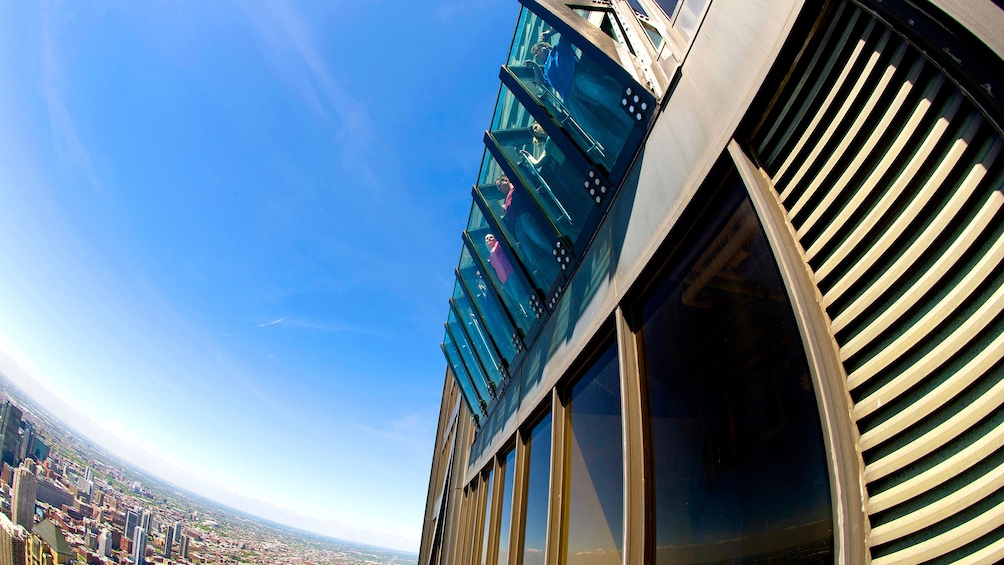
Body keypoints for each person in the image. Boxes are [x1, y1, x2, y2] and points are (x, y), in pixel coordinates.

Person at [529, 29, 628, 165]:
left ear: (544, 47)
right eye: (535, 55)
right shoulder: (545, 69)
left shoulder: (559, 48)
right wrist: (535, 67)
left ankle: (630, 120)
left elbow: (564, 27)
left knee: (603, 96)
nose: (537, 56)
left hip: (578, 78)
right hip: (569, 98)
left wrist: (548, 34)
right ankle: (618, 146)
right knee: (589, 125)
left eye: (537, 52)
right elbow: (541, 83)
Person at [496, 175, 557, 280]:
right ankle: (555, 274)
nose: (499, 189)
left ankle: (560, 257)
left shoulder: (516, 190)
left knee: (541, 240)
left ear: (506, 180)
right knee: (531, 256)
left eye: (499, 185)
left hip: (523, 217)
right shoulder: (506, 200)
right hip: (517, 226)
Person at [485, 233, 531, 319]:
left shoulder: (499, 245)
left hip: (511, 273)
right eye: (487, 239)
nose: (489, 239)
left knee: (520, 296)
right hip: (504, 281)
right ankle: (533, 312)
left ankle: (532, 301)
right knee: (518, 299)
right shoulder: (490, 257)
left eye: (491, 237)